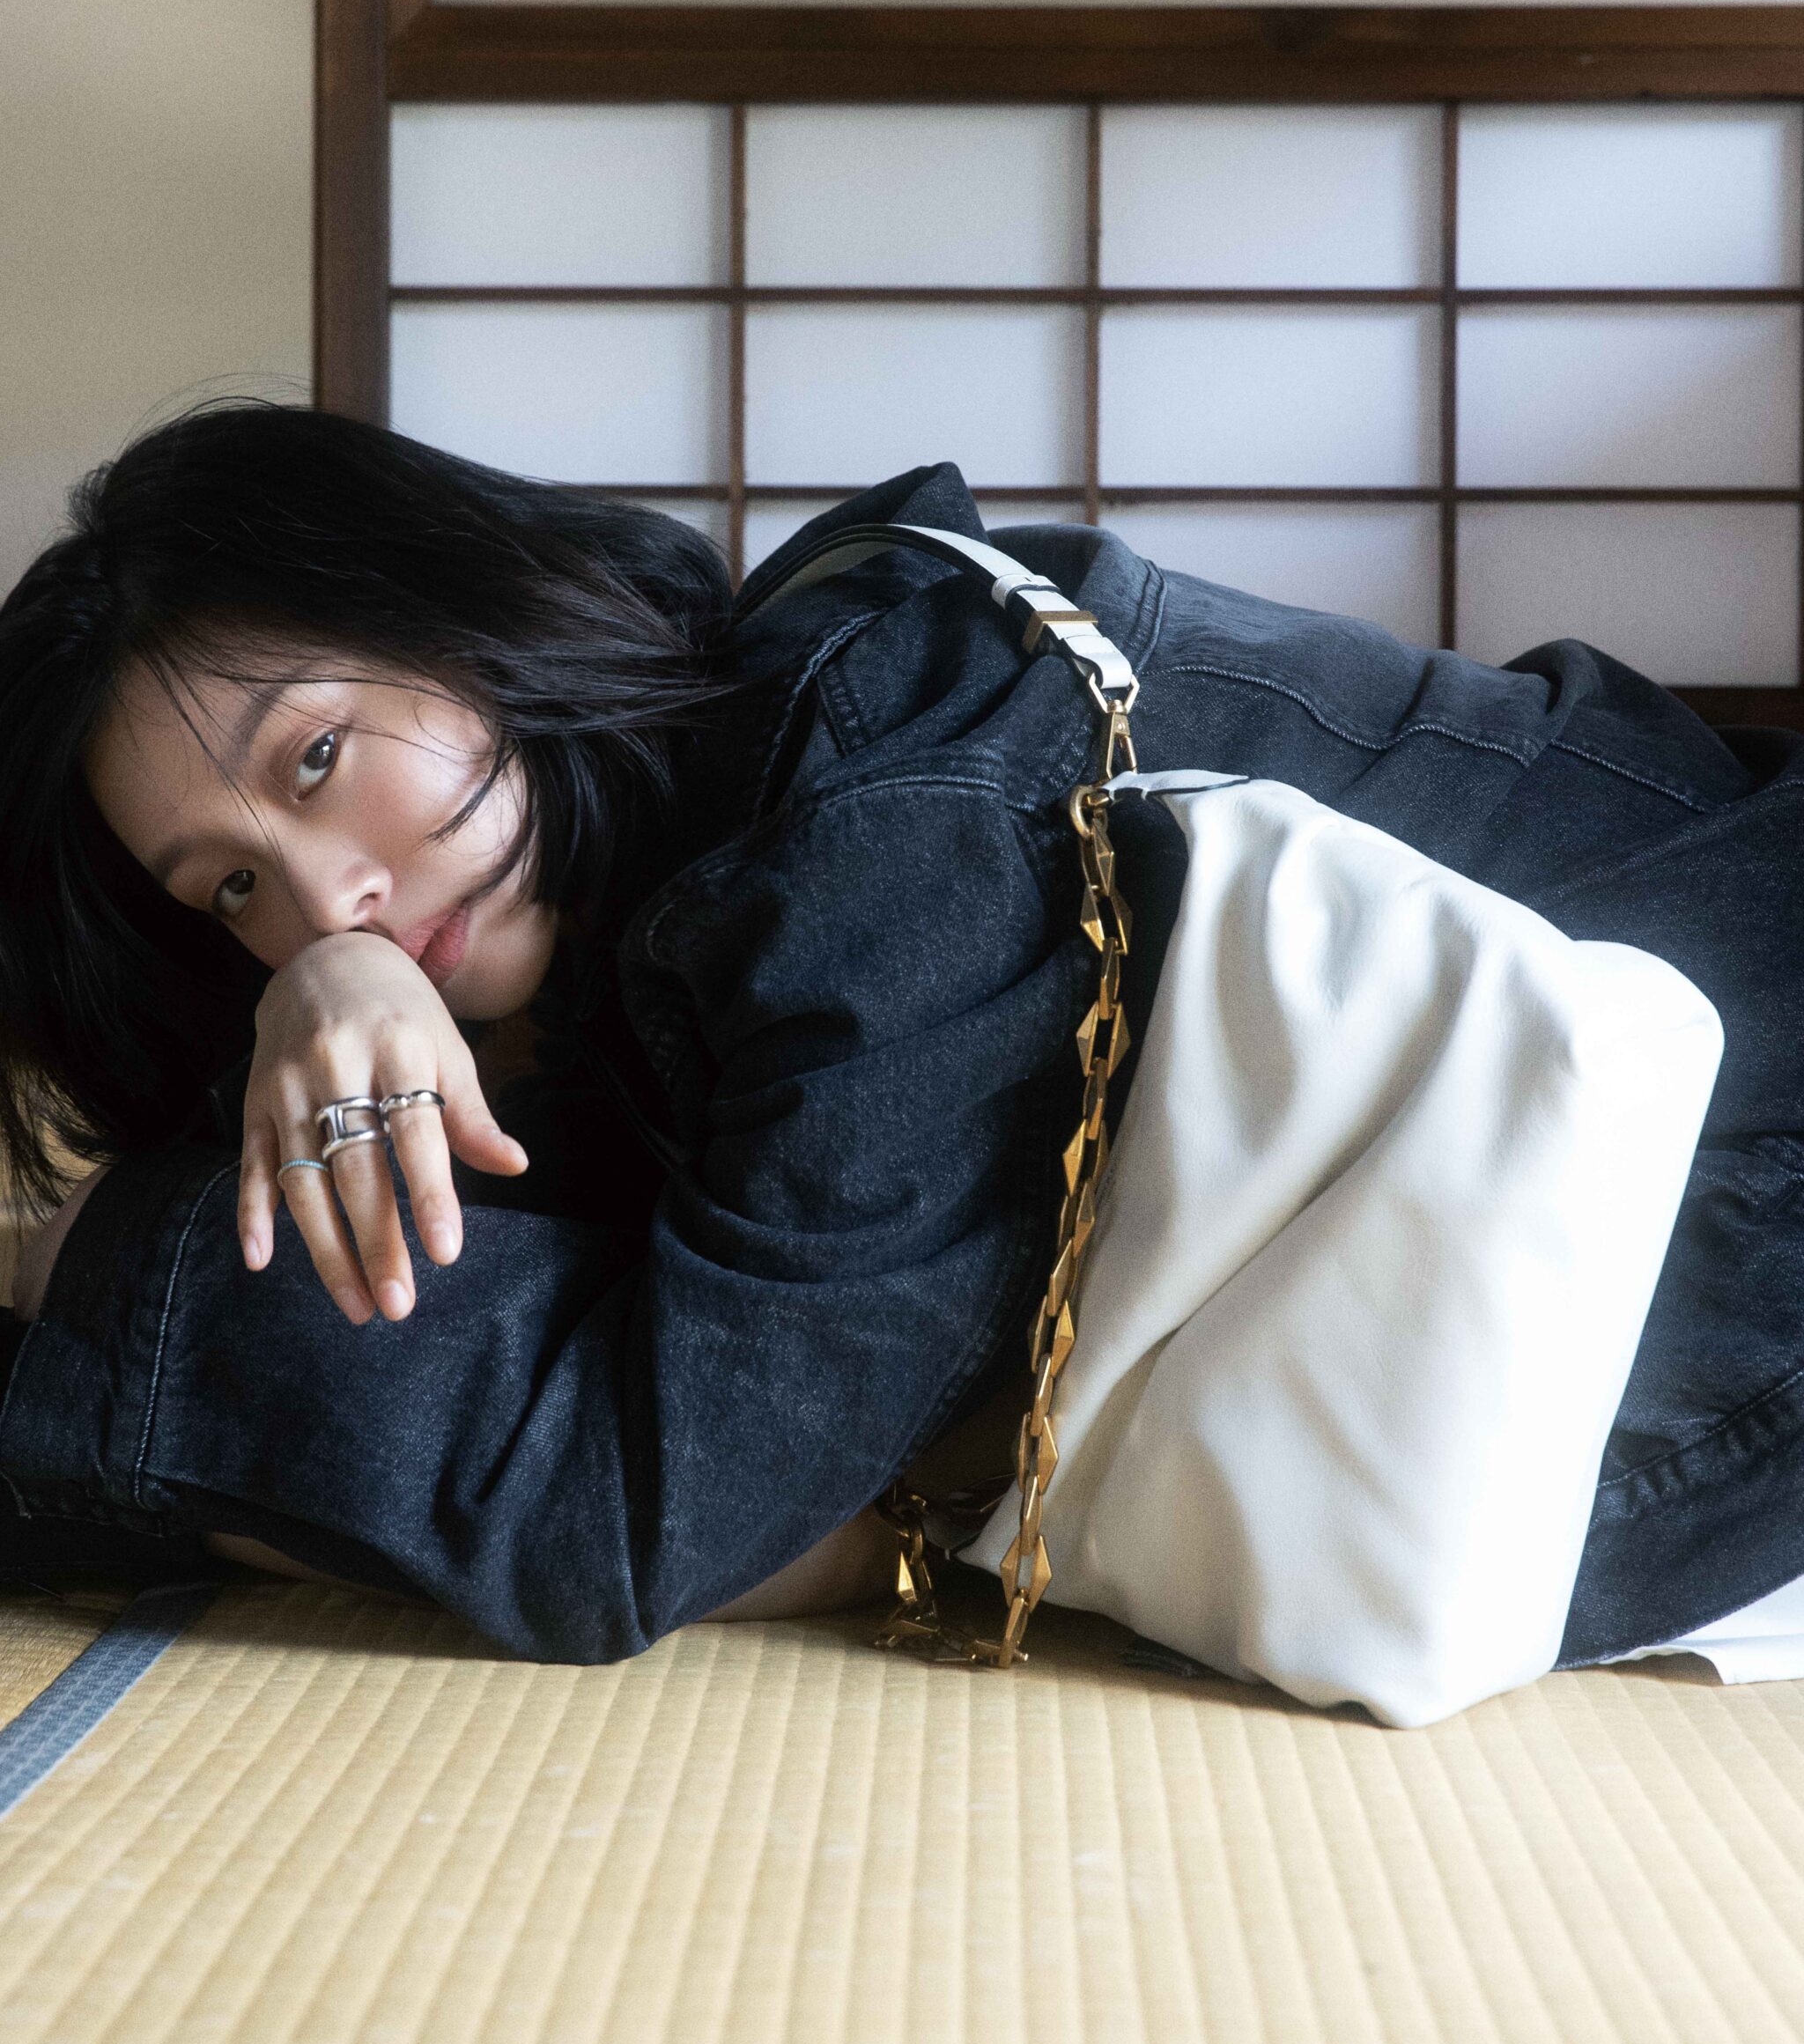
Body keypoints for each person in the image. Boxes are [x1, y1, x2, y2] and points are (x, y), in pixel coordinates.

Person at [4, 399, 1804, 1671]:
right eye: (230, 888)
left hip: (1733, 1235)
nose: (329, 891)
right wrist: (337, 988)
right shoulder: (638, 897)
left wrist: (79, 1255)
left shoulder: (881, 784)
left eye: (319, 754)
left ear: (451, 605)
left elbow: (630, 1513)